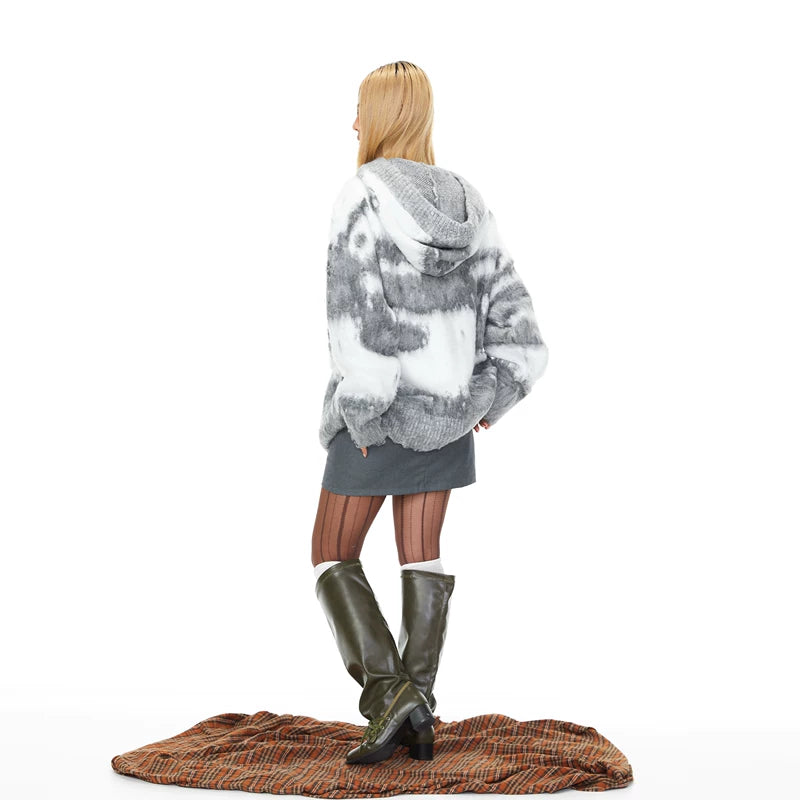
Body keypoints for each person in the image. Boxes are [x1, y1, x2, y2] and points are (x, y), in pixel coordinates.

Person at [311, 61, 549, 766]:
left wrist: (362, 408)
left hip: (379, 414)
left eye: (361, 107)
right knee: (422, 554)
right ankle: (416, 712)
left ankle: (391, 695)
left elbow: (355, 314)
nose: (354, 121)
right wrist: (490, 393)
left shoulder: (362, 195)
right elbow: (514, 315)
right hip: (448, 416)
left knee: (330, 551)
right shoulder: (468, 203)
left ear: (384, 114)